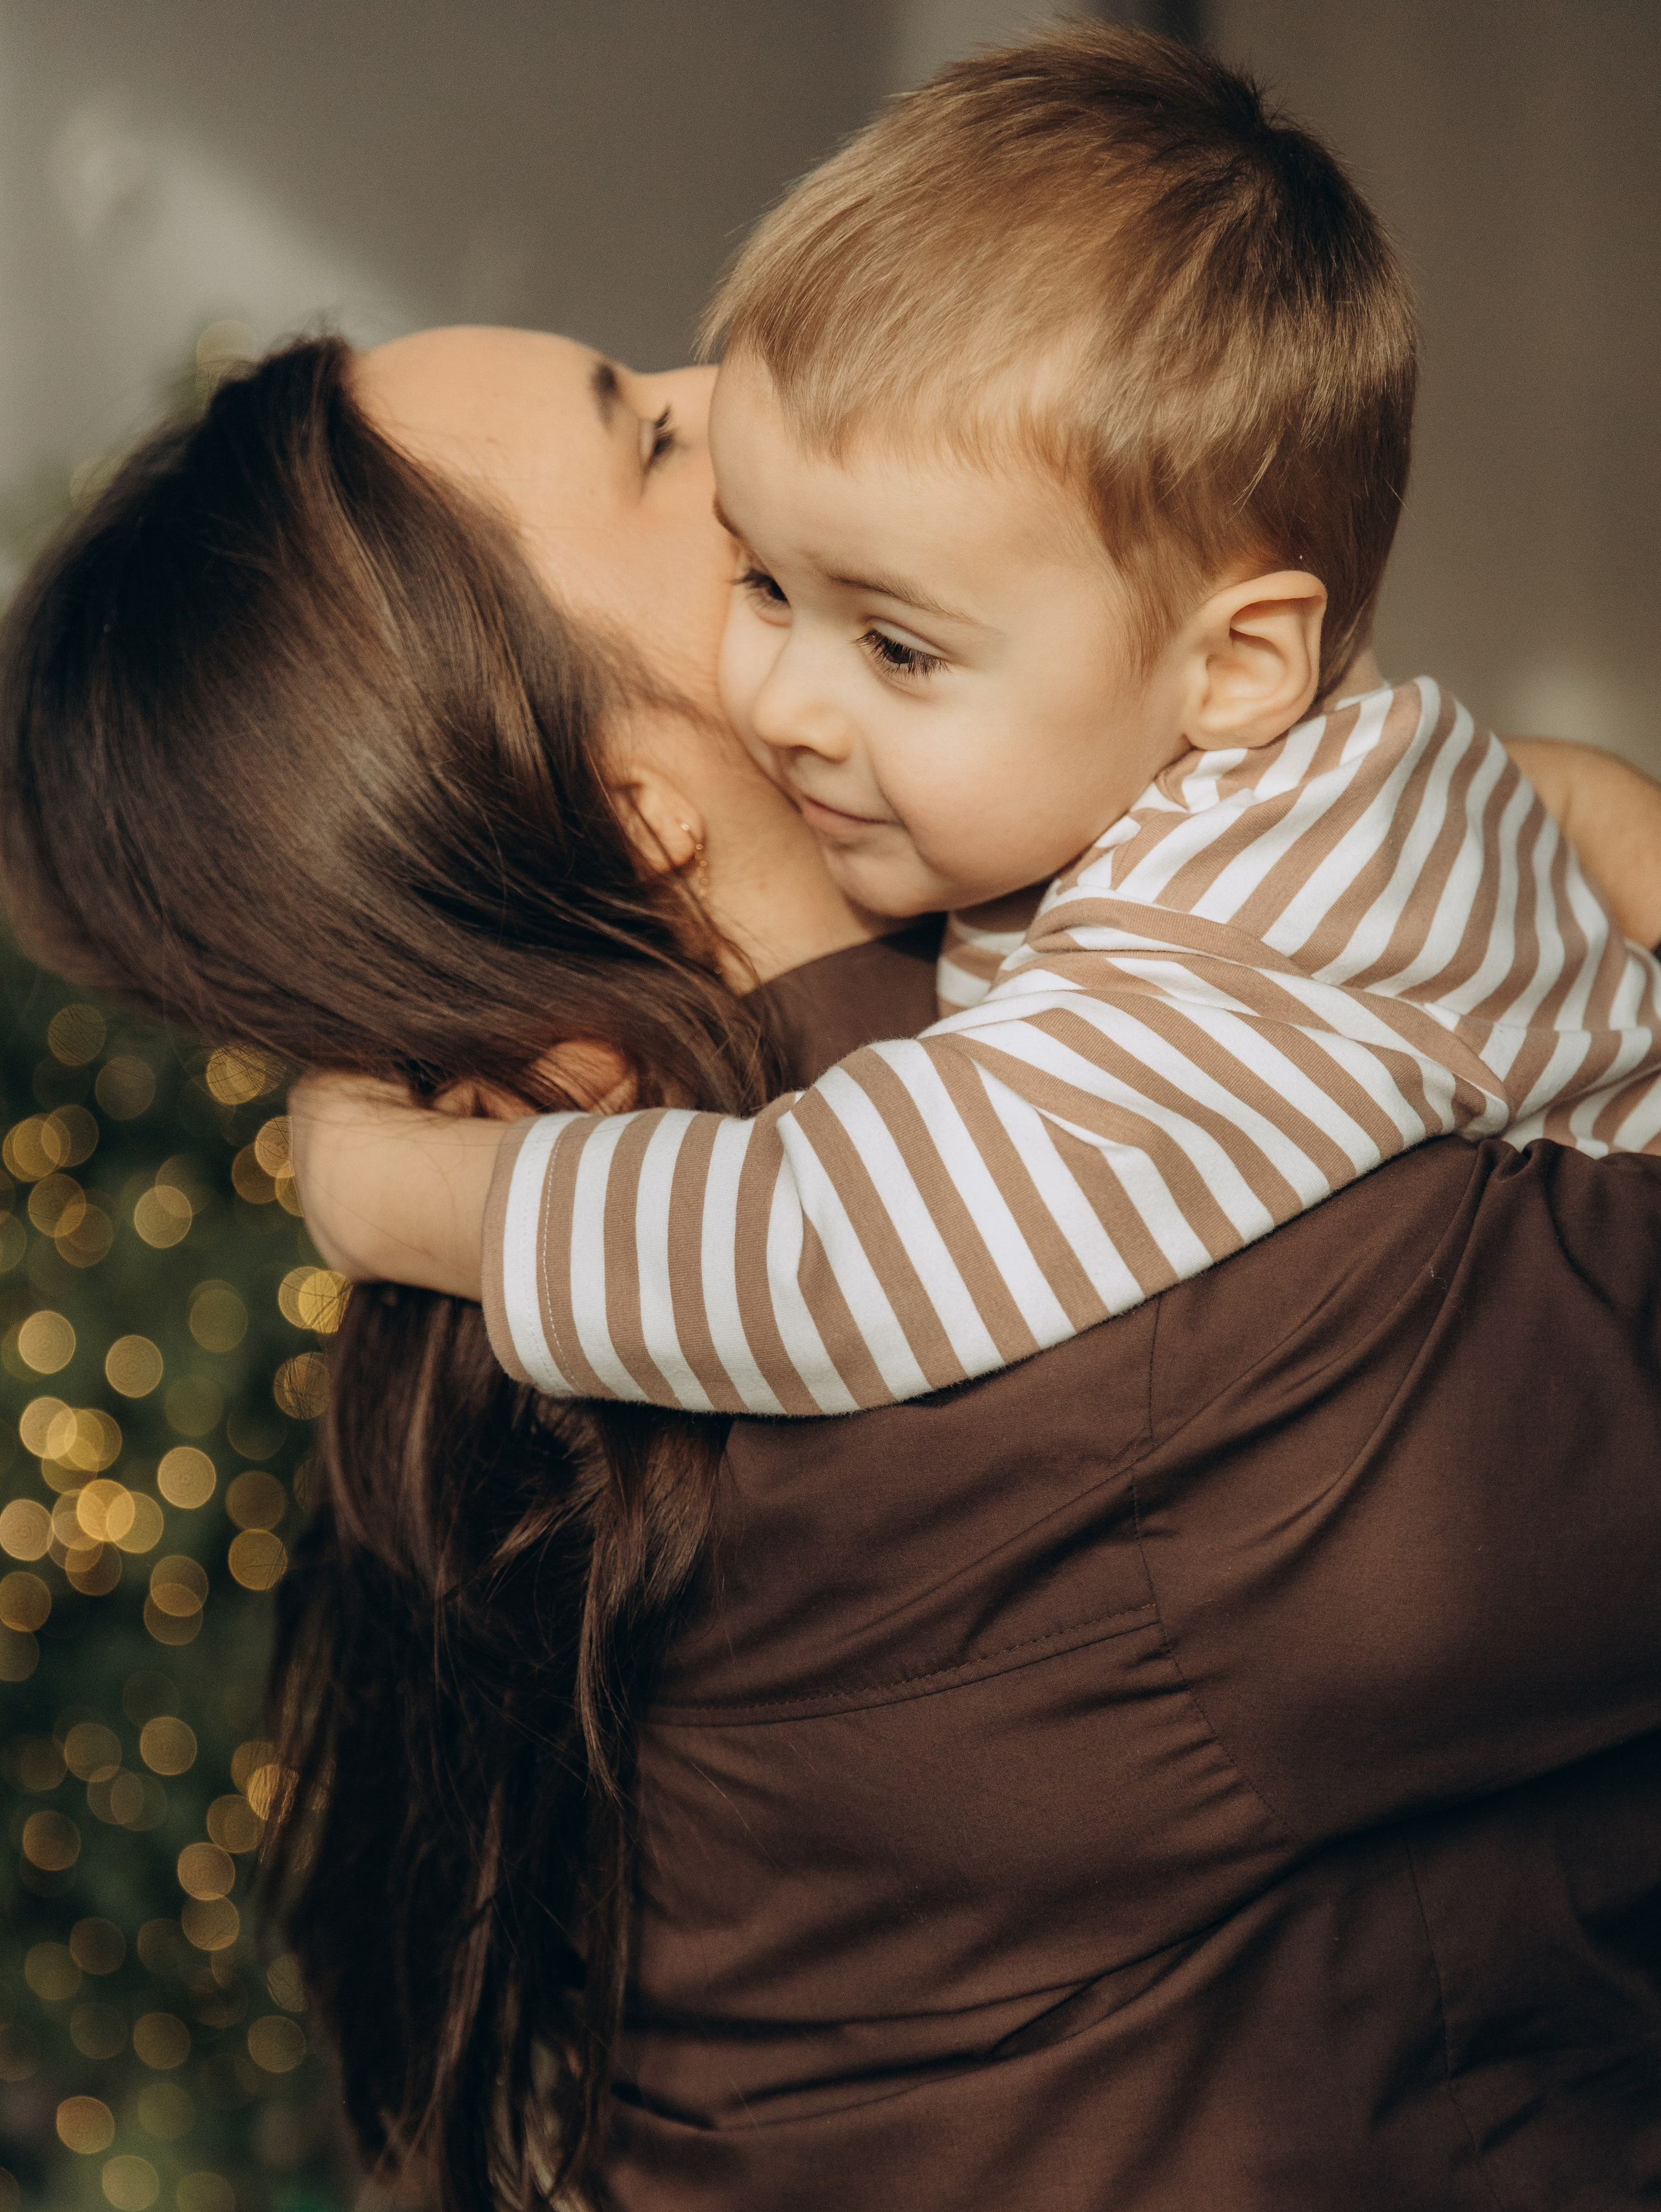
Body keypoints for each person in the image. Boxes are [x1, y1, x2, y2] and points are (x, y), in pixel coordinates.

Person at [5, 326, 1661, 2212]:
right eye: (657, 429)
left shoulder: (525, 1263)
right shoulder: (1153, 1315)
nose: (744, 384)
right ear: (647, 812)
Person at [289, 31, 1661, 1421]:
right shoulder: (1236, 768)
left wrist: (387, 1197)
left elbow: (815, 1256)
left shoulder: (1225, 936)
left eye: (895, 644)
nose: (783, 703)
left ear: (1239, 663)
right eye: (762, 581)